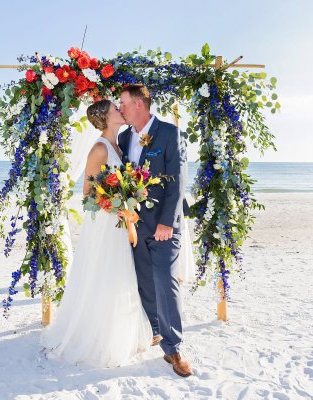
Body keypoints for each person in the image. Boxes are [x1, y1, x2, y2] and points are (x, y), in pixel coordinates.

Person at [40, 100, 151, 367]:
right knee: (105, 273)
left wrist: (128, 199)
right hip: (105, 223)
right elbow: (88, 194)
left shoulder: (118, 145)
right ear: (105, 117)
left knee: (120, 273)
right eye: (115, 109)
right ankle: (100, 338)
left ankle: (120, 332)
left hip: (119, 220)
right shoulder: (100, 148)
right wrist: (116, 207)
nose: (120, 111)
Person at [118, 84, 193, 377]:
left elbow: (177, 181)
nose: (120, 108)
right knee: (145, 282)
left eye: (123, 103)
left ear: (139, 104)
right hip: (135, 224)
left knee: (165, 280)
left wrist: (166, 222)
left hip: (164, 224)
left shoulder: (170, 133)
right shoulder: (124, 137)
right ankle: (156, 329)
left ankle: (173, 347)